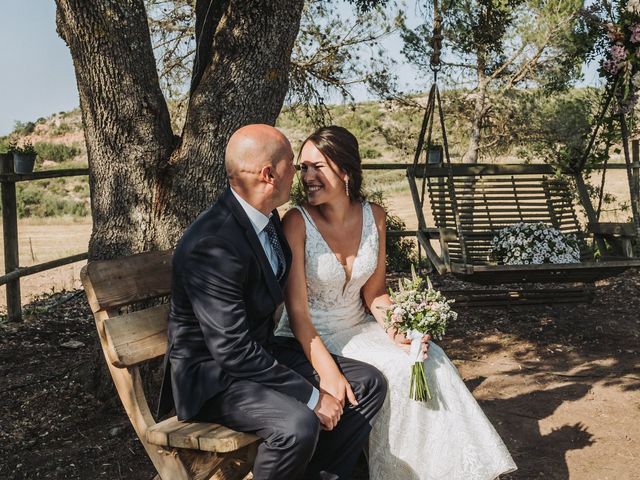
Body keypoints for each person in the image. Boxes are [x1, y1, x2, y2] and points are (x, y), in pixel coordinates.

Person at [274, 125, 517, 480]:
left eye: (318, 167)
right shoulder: (296, 221)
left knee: (426, 356)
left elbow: (375, 293)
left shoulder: (375, 216)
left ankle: (448, 470)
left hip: (359, 324)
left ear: (346, 171)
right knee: (398, 369)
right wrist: (327, 371)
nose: (307, 177)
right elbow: (296, 313)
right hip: (313, 334)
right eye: (303, 168)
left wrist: (399, 327)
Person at [158, 124, 387, 480]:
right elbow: (231, 350)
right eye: (295, 165)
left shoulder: (267, 220)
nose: (300, 174)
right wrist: (314, 396)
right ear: (269, 174)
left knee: (367, 383)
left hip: (261, 355)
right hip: (215, 379)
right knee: (295, 426)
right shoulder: (214, 243)